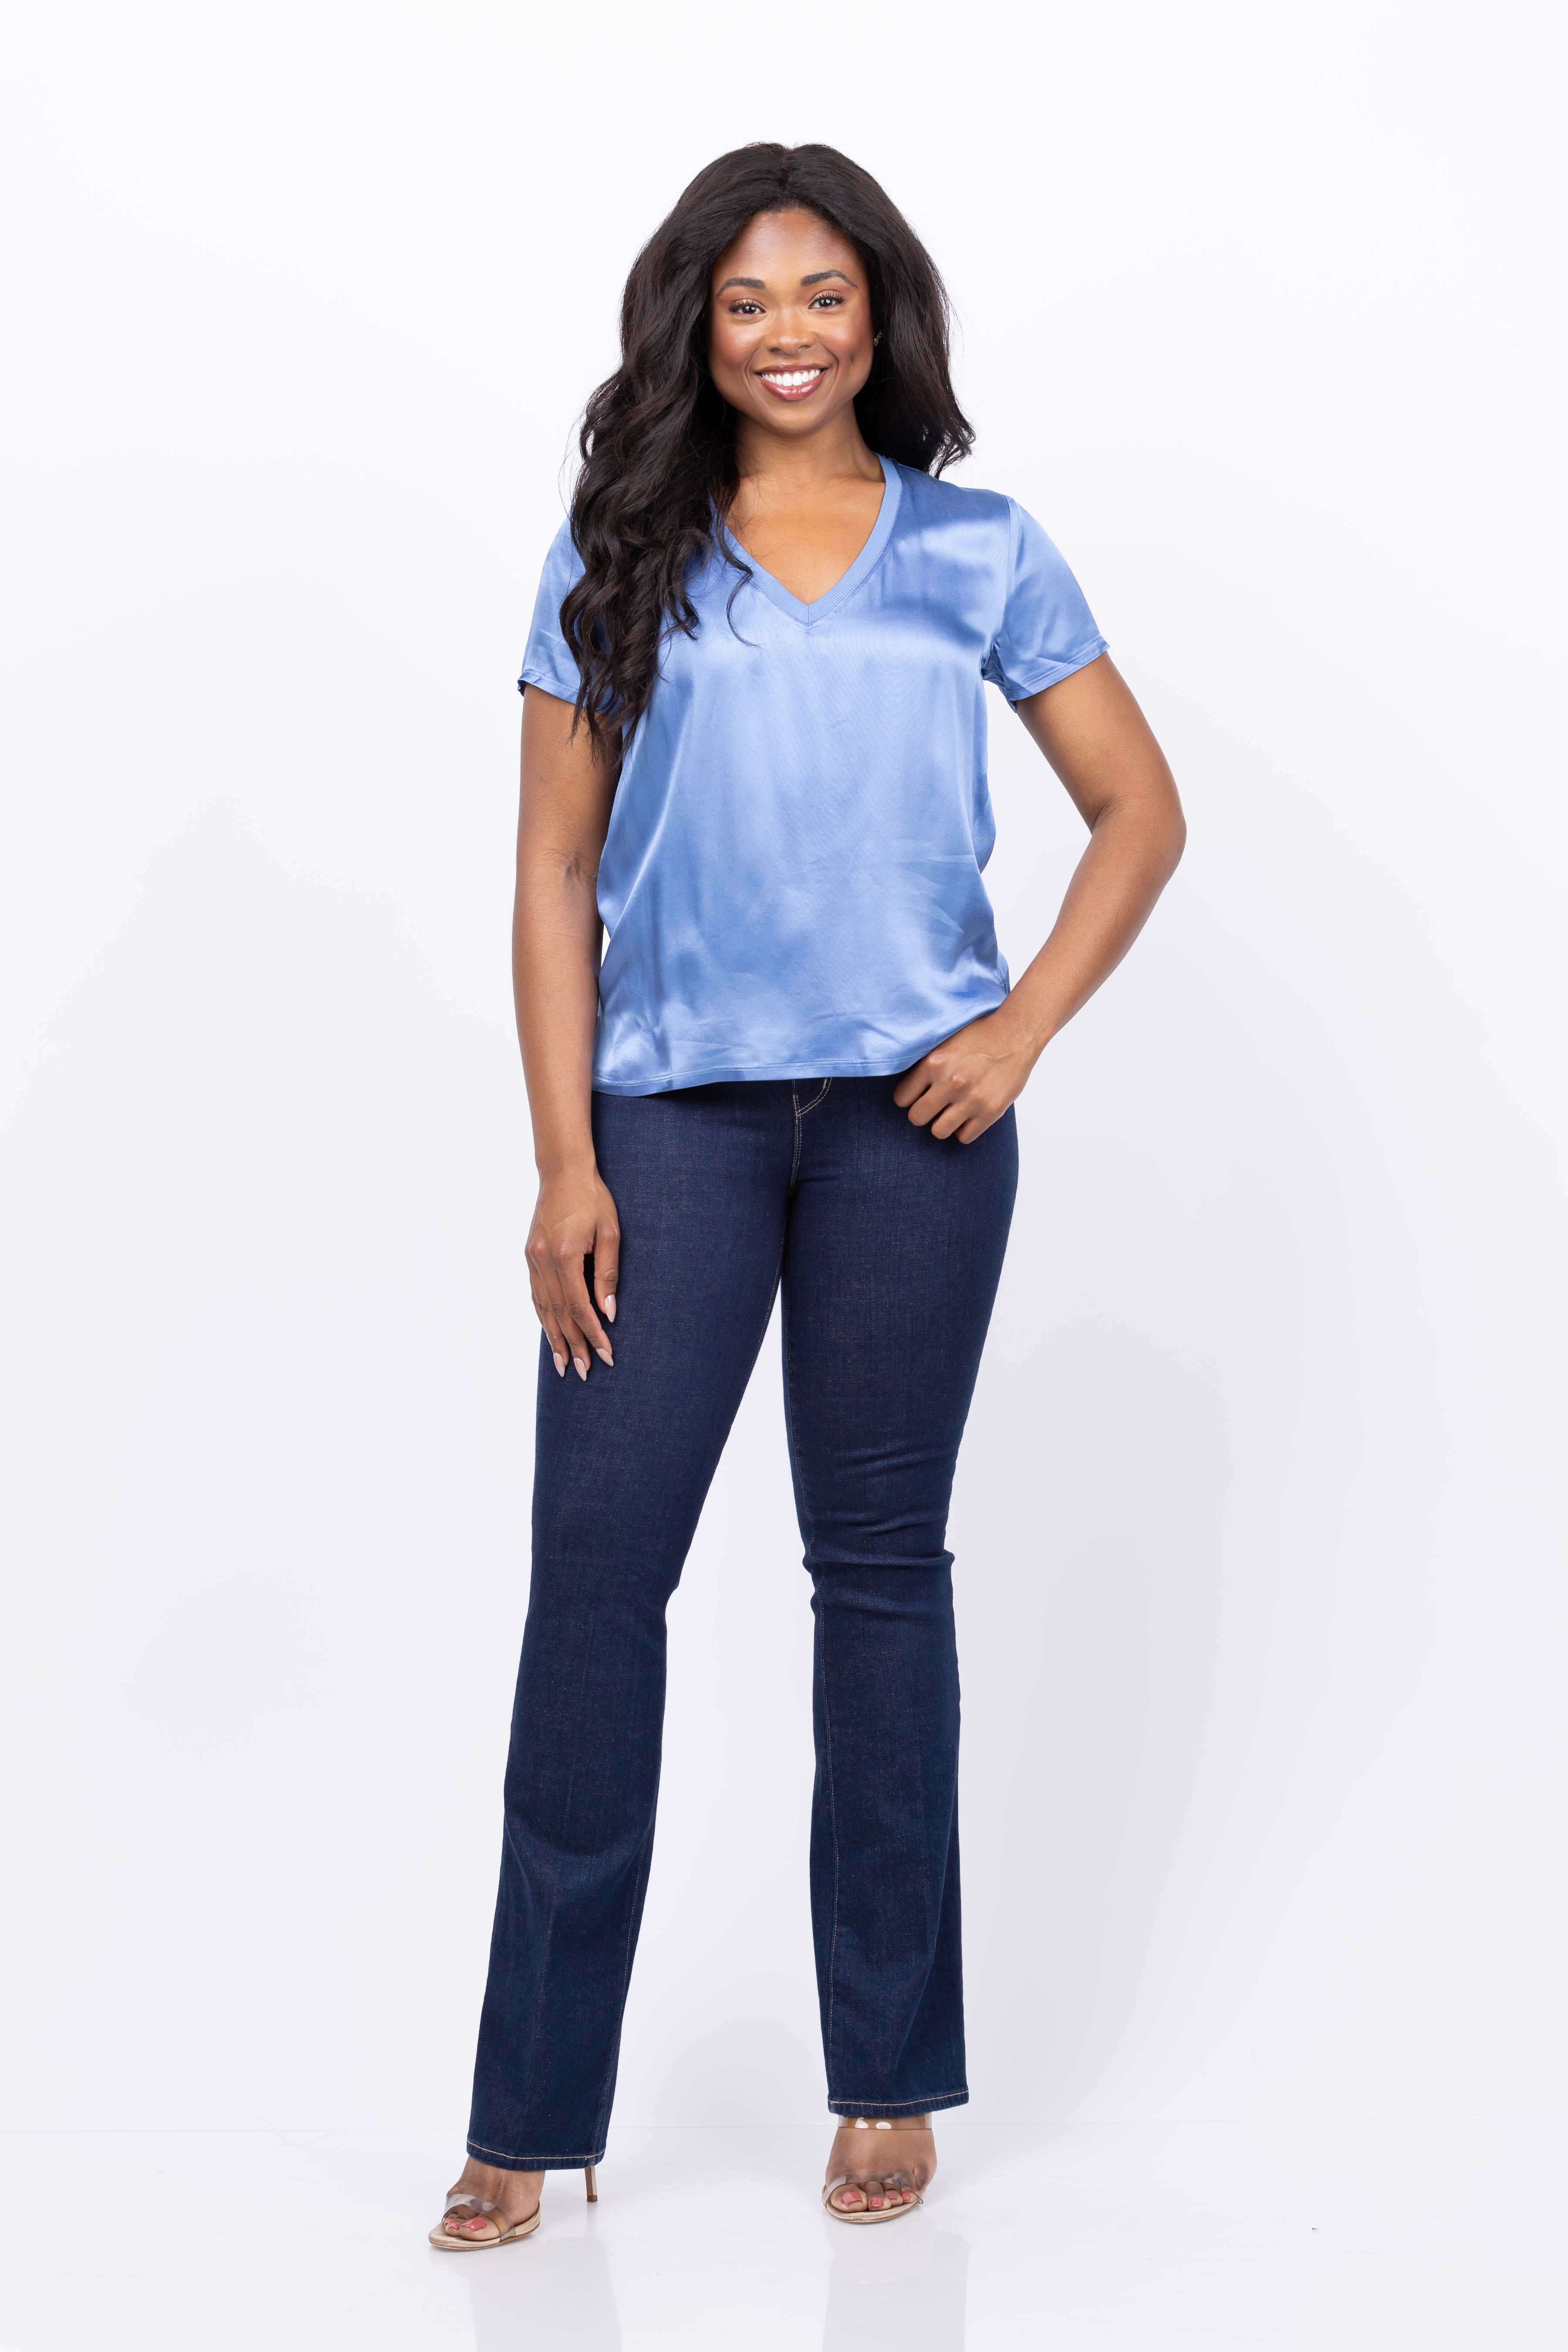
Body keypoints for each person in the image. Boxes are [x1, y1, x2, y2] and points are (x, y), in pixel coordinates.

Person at [429, 141, 1184, 2250]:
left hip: (906, 1139)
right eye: (747, 299)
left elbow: (1137, 808)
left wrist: (1016, 1032)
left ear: (880, 317)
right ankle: (528, 2108)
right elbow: (551, 871)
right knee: (598, 1587)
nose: (785, 334)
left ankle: (889, 2082)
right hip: (664, 1131)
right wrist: (564, 1160)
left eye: (822, 296)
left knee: (880, 1581)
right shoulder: (620, 554)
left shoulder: (978, 550)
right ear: (696, 322)